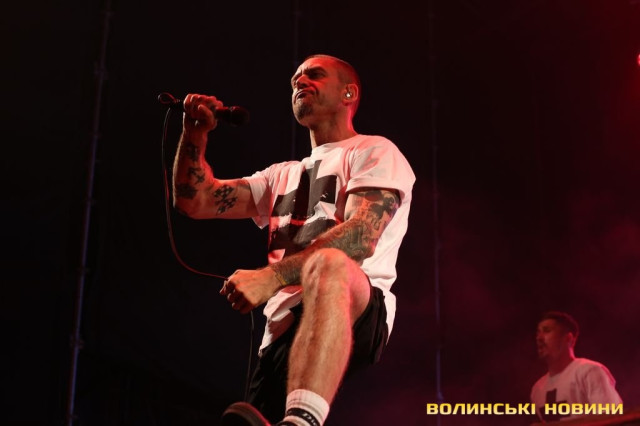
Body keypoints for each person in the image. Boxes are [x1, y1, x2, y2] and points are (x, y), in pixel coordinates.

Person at [172, 54, 415, 426]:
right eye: (295, 80)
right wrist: (195, 133)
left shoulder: (374, 151)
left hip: (355, 308)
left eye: (314, 75)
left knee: (331, 262)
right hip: (282, 333)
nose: (300, 82)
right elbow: (195, 200)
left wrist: (269, 277)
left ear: (348, 93)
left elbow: (360, 237)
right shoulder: (280, 176)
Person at [530, 311, 623, 422]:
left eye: (547, 331)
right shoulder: (537, 390)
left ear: (568, 338)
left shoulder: (589, 371)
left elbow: (612, 419)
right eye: (538, 333)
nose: (539, 338)